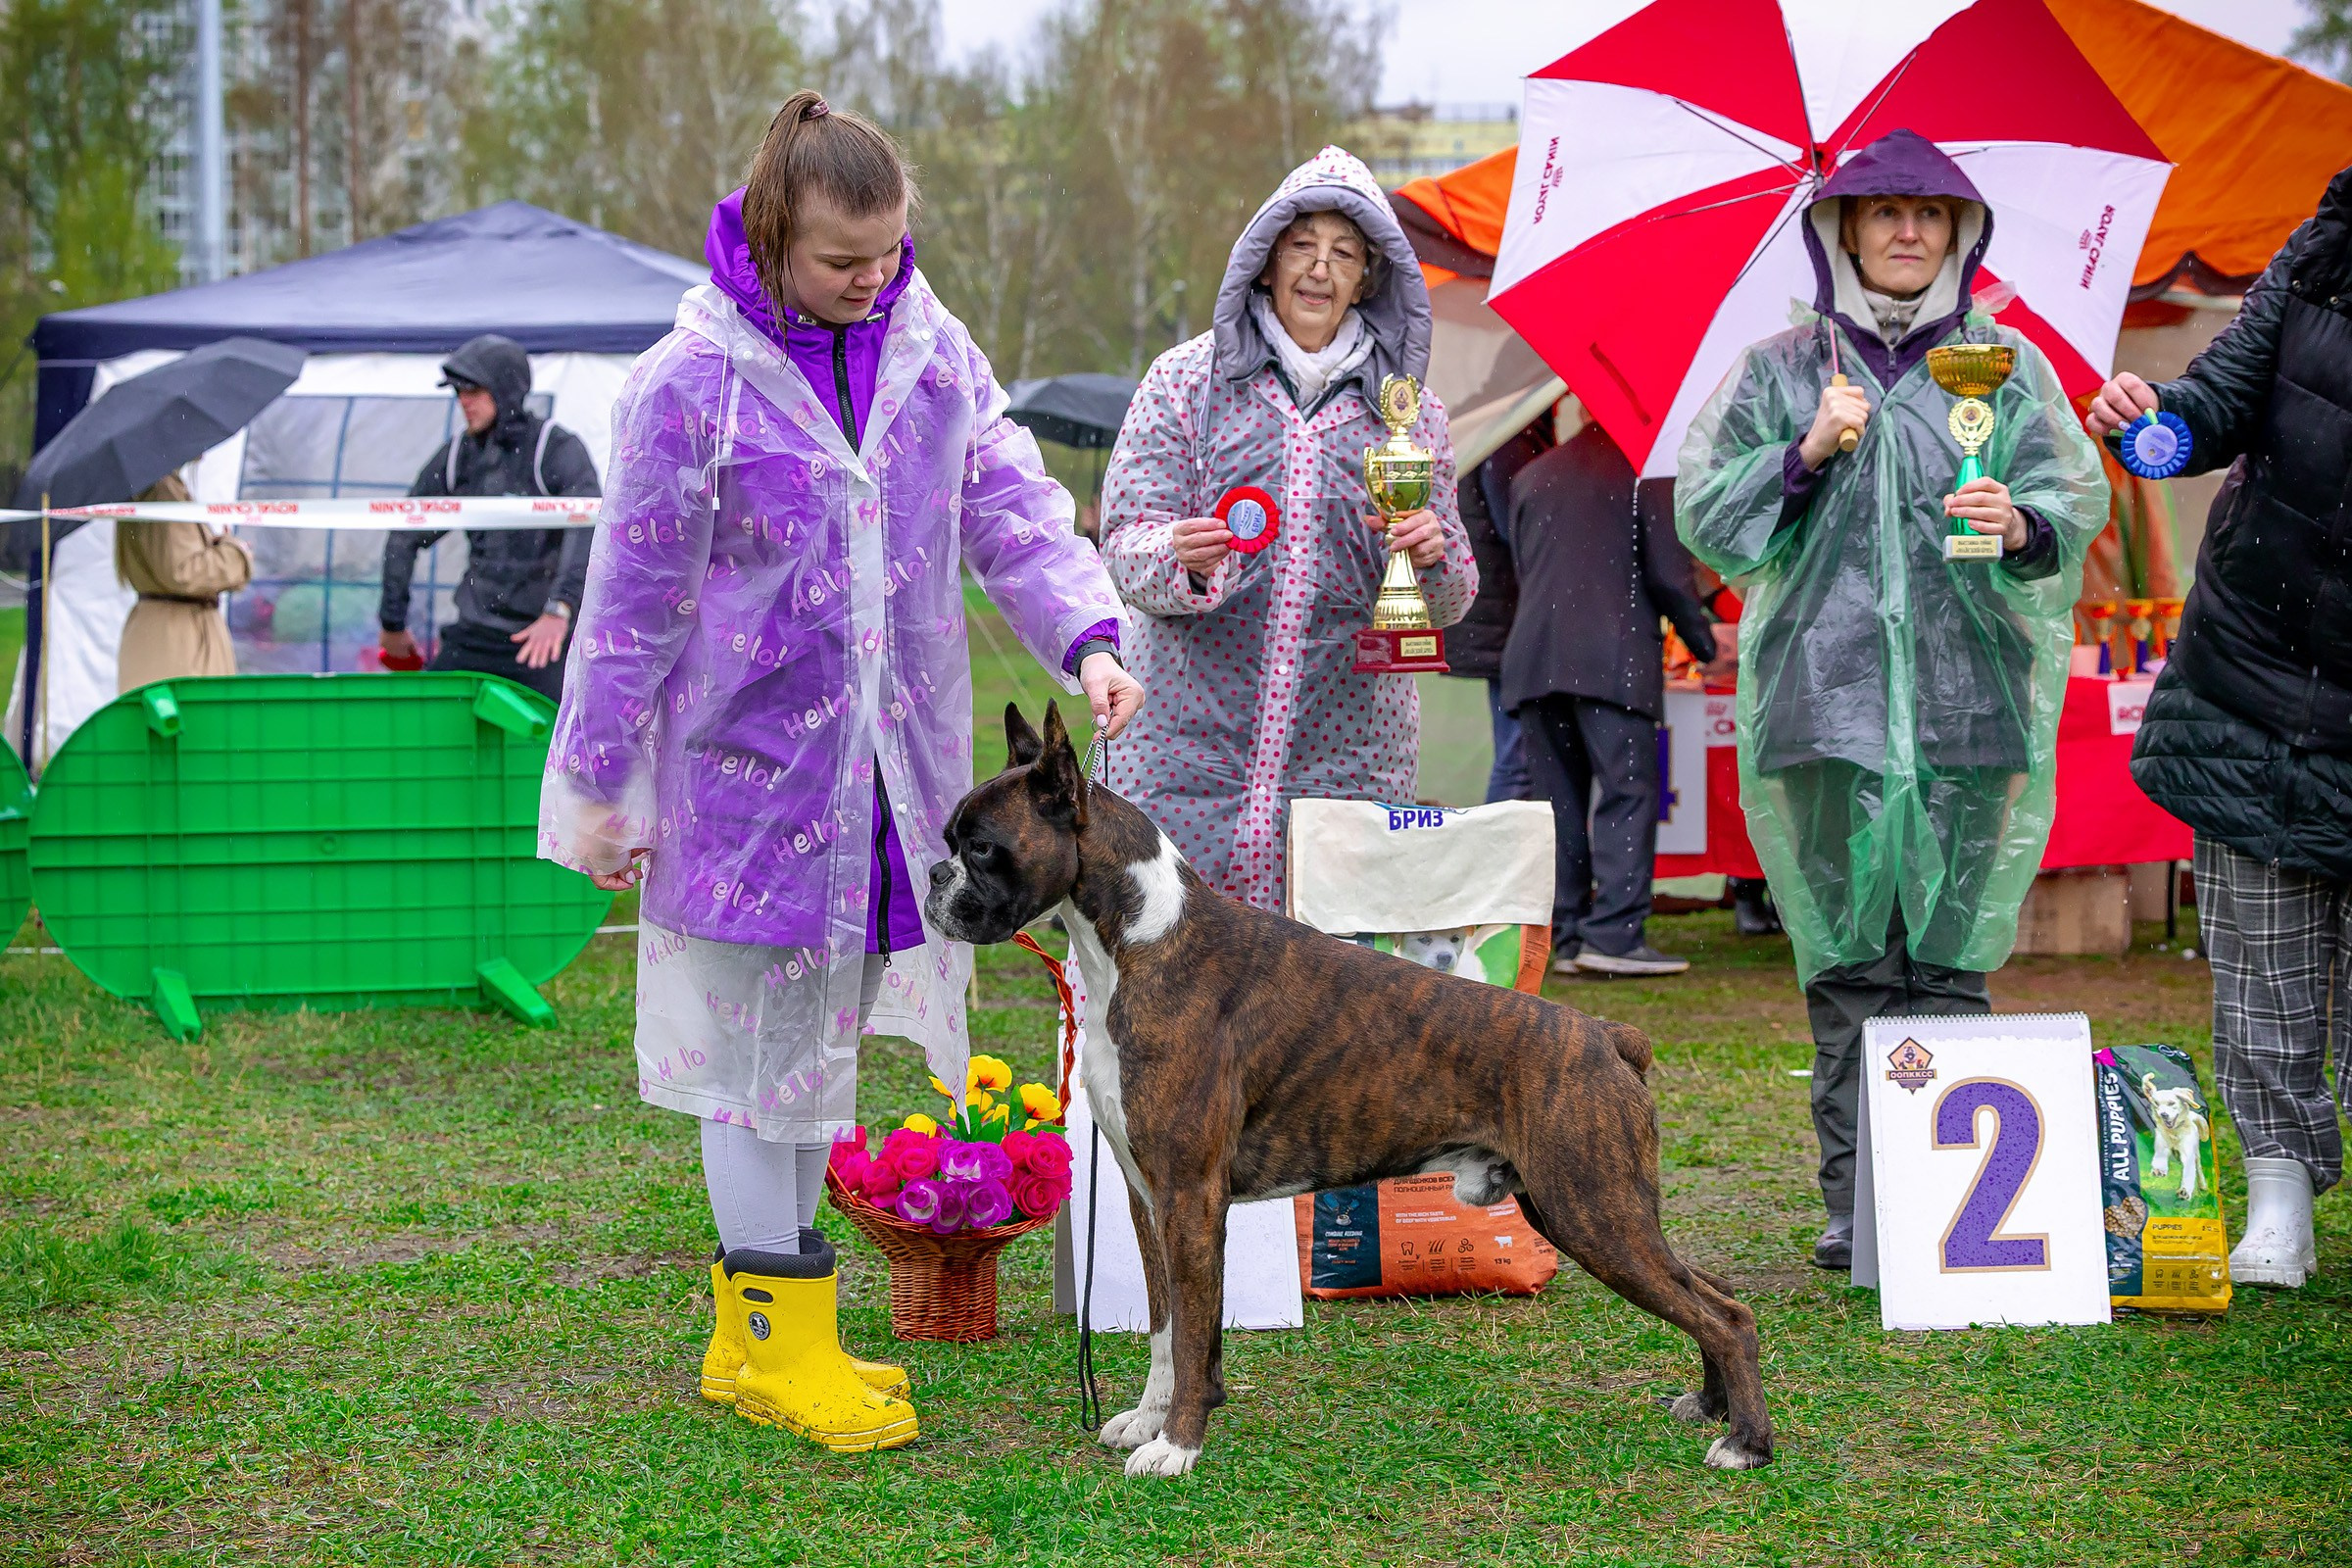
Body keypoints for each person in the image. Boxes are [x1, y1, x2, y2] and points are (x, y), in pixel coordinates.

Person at [539, 93, 1137, 1450]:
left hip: (886, 784)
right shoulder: (687, 384)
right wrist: (601, 788)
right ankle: (773, 1342)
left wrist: (1088, 632)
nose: (871, 282)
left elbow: (1009, 500)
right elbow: (630, 600)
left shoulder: (930, 352)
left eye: (888, 253)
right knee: (752, 1061)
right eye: (840, 262)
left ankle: (779, 1333)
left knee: (818, 1056)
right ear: (770, 235)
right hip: (745, 786)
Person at [1677, 128, 2104, 1268]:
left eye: (1930, 213)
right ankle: (1858, 1204)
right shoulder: (1781, 371)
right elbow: (1704, 520)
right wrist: (1803, 453)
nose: (1908, 231)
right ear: (1843, 232)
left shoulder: (2008, 369)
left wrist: (2019, 523)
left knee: (1950, 955)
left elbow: (2077, 501)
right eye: (1884, 213)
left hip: (1970, 708)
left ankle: (1943, 1213)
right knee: (1850, 959)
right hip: (1824, 708)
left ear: (1959, 233)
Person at [1099, 145, 1475, 912]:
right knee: (1164, 988)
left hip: (1342, 759)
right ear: (1266, 262)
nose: (1319, 269)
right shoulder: (1184, 382)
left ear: (1368, 278)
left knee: (1316, 1003)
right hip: (1184, 755)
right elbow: (1124, 545)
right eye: (1302, 246)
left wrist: (1432, 559)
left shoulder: (1411, 411)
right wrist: (1177, 556)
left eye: (1344, 253)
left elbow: (1452, 597)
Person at [2098, 162, 2352, 1291]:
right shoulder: (2318, 251)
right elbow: (2208, 413)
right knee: (2259, 958)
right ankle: (2280, 1194)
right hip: (2252, 668)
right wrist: (2148, 429)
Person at [1505, 409, 1722, 976]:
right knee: (1628, 793)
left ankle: (1568, 933)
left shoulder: (1533, 474)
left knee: (1559, 804)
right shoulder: (1644, 475)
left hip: (1533, 660)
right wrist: (1704, 644)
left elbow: (1525, 568)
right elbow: (1670, 576)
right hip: (1610, 658)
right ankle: (1615, 937)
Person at [379, 333, 601, 703]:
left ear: (506, 390)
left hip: (543, 635)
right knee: (421, 721)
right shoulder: (458, 456)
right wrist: (392, 623)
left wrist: (559, 610)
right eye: (458, 393)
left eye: (474, 392)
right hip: (474, 634)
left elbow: (589, 529)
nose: (463, 403)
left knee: (555, 746)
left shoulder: (555, 448)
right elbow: (405, 531)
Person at [1451, 425, 1545, 803]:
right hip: (1509, 616)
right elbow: (1519, 526)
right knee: (1519, 760)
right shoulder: (1509, 441)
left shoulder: (1498, 433)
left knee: (1518, 756)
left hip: (1500, 614)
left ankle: (1501, 855)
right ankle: (1498, 857)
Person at [115, 473, 252, 691]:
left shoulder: (158, 486)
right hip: (179, 638)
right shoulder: (163, 490)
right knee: (193, 719)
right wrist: (235, 552)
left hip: (173, 631)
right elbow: (182, 571)